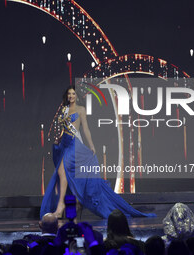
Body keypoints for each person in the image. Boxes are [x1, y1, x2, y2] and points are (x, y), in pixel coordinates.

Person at [40, 86, 156, 219]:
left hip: (74, 144)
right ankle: (72, 205)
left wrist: (92, 146)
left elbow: (86, 129)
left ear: (76, 96)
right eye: (69, 94)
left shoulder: (81, 109)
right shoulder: (64, 110)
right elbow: (64, 129)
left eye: (73, 94)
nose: (71, 96)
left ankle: (61, 207)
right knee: (64, 174)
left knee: (62, 171)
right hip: (65, 144)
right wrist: (58, 139)